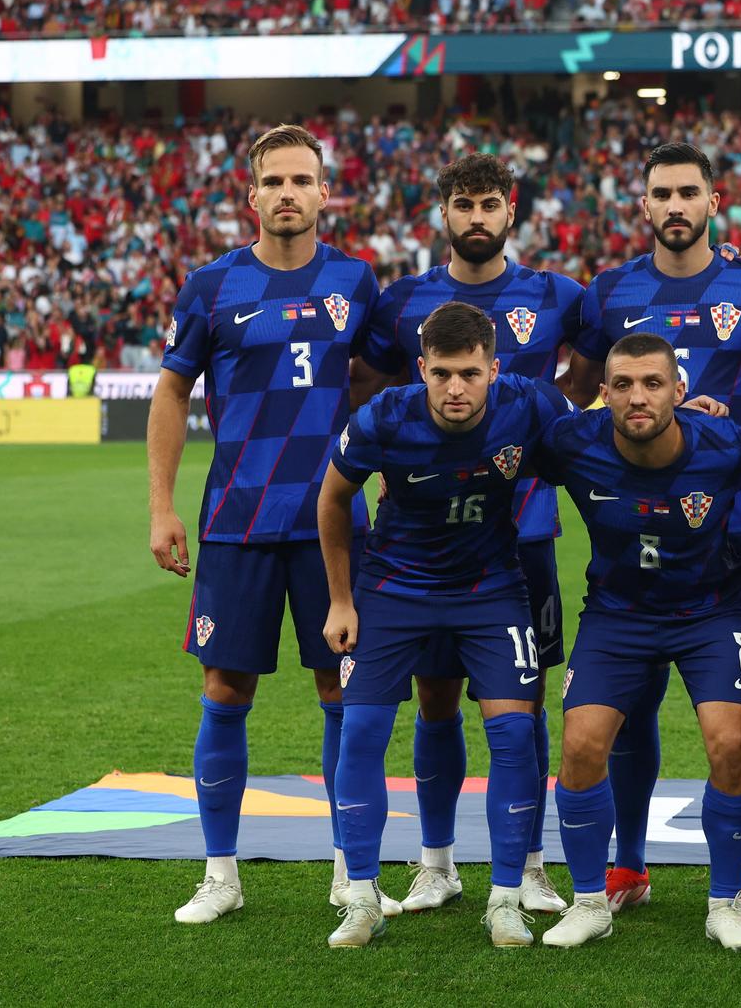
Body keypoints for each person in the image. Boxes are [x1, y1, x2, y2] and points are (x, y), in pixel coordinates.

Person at [147, 124, 387, 924]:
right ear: (250, 196)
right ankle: (219, 873)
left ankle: (351, 872)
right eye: (274, 181)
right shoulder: (211, 285)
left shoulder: (357, 281)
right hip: (236, 521)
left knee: (342, 692)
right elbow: (173, 393)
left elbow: (386, 386)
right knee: (224, 689)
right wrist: (161, 505)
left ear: (326, 193)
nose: (288, 193)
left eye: (303, 179)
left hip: (332, 525)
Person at [561, 142, 741, 916]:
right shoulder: (610, 289)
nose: (674, 205)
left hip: (736, 527)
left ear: (712, 200)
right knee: (632, 691)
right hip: (633, 520)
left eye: (687, 192)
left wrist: (734, 421)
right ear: (644, 204)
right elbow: (579, 389)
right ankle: (628, 864)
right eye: (661, 192)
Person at [350, 152, 584, 915]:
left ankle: (532, 863)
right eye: (463, 204)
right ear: (442, 213)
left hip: (523, 534)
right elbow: (373, 385)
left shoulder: (556, 294)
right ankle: (436, 862)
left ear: (510, 210)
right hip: (421, 541)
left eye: (489, 204)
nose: (476, 217)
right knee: (436, 698)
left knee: (524, 700)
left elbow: (586, 388)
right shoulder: (402, 301)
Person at [317, 302, 572, 948]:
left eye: (470, 373)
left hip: (490, 588)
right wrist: (341, 600)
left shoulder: (531, 405)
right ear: (421, 369)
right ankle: (364, 897)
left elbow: (602, 450)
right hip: (395, 587)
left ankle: (507, 898)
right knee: (363, 730)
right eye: (442, 374)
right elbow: (332, 497)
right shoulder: (384, 415)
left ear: (495, 367)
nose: (456, 388)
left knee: (514, 732)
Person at [538, 332, 741, 950]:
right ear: (602, 393)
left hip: (711, 613)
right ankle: (590, 901)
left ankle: (725, 903)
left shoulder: (726, 444)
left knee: (730, 742)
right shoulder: (571, 443)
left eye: (652, 383)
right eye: (622, 385)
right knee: (582, 745)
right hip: (617, 614)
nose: (637, 397)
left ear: (679, 389)